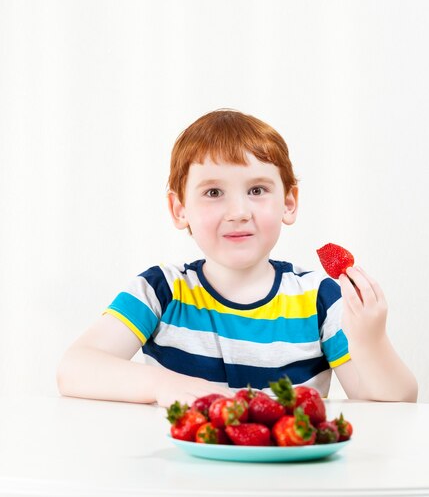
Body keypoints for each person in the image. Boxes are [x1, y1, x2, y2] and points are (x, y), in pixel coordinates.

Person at [57, 109, 418, 407]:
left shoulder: (319, 298)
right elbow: (74, 367)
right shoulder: (160, 290)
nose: (238, 211)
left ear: (288, 203)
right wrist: (165, 386)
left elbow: (393, 405)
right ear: (179, 208)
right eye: (213, 192)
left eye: (257, 190)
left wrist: (371, 340)